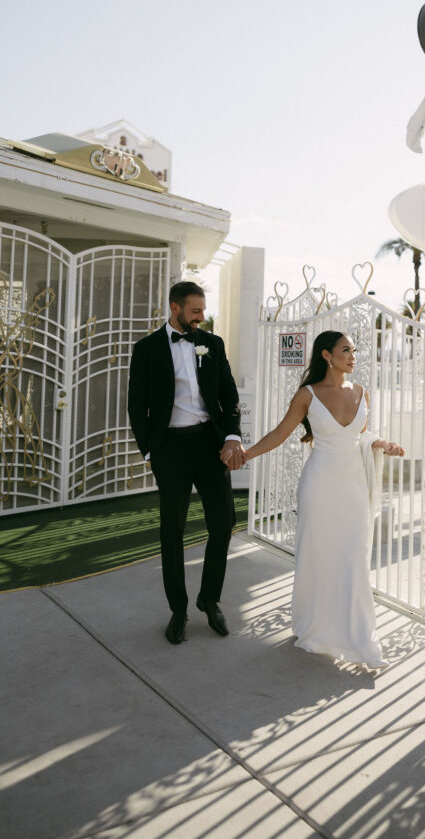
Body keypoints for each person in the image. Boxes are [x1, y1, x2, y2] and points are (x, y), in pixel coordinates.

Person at [243, 330, 404, 669]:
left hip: (354, 487)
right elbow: (280, 432)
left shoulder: (362, 393)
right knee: (317, 556)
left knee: (352, 557)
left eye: (354, 350)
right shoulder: (308, 395)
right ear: (327, 356)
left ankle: (358, 635)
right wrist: (246, 454)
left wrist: (382, 444)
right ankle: (315, 628)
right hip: (320, 486)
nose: (353, 355)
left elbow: (360, 437)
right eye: (346, 350)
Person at [127, 281, 246, 645]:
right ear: (175, 307)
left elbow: (227, 393)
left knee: (223, 524)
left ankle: (209, 600)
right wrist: (151, 451)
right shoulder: (146, 349)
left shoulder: (212, 344)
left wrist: (232, 435)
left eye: (203, 310)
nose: (201, 316)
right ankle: (178, 610)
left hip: (210, 445)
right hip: (171, 450)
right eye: (195, 310)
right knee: (172, 532)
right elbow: (137, 404)